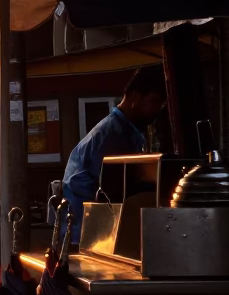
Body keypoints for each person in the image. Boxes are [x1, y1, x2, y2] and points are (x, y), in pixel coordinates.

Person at [62, 64, 168, 240]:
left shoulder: (127, 132)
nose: (156, 110)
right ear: (135, 96)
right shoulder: (112, 136)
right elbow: (121, 193)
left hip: (91, 232)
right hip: (85, 236)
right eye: (154, 101)